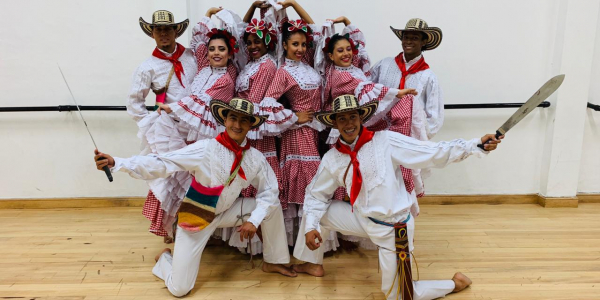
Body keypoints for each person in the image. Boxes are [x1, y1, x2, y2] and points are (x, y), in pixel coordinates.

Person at [293, 94, 502, 300]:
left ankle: (453, 284)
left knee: (398, 295)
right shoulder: (333, 157)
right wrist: (311, 227)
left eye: (353, 117)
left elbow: (432, 152)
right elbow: (316, 194)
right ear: (335, 124)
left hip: (394, 229)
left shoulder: (385, 141)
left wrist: (475, 145)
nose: (348, 123)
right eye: (342, 119)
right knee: (315, 214)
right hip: (362, 219)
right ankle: (312, 263)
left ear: (360, 118)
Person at [94, 98, 297, 297]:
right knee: (180, 289)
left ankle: (273, 260)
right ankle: (165, 259)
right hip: (198, 216)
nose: (237, 124)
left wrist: (254, 220)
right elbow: (163, 163)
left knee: (272, 206)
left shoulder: (255, 157)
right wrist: (117, 162)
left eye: (244, 120)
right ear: (224, 120)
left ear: (251, 125)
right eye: (233, 118)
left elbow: (269, 191)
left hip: (227, 211)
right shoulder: (206, 149)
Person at [126, 10, 197, 242]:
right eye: (159, 29)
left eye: (168, 29)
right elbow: (134, 102)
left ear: (177, 31)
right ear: (152, 33)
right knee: (170, 176)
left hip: (196, 127)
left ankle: (197, 224)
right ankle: (170, 226)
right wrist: (152, 125)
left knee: (196, 176)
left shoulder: (192, 56)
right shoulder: (148, 66)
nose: (164, 33)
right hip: (170, 131)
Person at [369, 18, 445, 211]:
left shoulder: (428, 77)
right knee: (379, 178)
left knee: (403, 182)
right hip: (380, 135)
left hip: (408, 139)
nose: (408, 41)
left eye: (414, 37)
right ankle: (379, 221)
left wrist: (417, 137)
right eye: (406, 37)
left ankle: (402, 223)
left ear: (423, 42)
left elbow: (434, 117)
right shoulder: (384, 65)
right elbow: (368, 91)